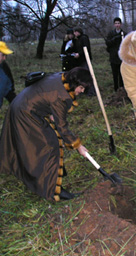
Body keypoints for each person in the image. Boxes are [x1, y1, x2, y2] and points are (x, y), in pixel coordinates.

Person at [0, 67, 93, 201]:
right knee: (49, 146)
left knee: (50, 140)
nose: (82, 91)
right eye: (81, 87)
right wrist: (78, 146)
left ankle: (52, 174)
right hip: (25, 113)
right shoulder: (60, 96)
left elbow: (46, 99)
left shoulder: (61, 77)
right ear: (74, 83)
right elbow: (62, 126)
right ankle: (53, 190)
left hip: (24, 106)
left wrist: (51, 112)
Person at [105, 17, 127, 92]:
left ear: (120, 24)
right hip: (113, 57)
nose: (117, 25)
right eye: (116, 23)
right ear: (114, 24)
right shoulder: (111, 33)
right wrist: (114, 39)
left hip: (122, 58)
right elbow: (107, 43)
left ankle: (121, 88)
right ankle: (116, 88)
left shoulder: (124, 33)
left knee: (122, 74)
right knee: (115, 74)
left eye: (118, 23)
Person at [73, 27, 95, 96]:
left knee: (87, 76)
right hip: (80, 61)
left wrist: (79, 54)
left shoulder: (84, 38)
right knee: (82, 77)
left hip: (85, 60)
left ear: (78, 32)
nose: (74, 34)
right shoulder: (77, 39)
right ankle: (84, 91)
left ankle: (91, 92)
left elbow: (86, 48)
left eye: (75, 32)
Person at [0, 41, 16, 109]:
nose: (4, 58)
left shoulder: (3, 68)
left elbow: (8, 89)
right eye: (3, 55)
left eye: (5, 55)